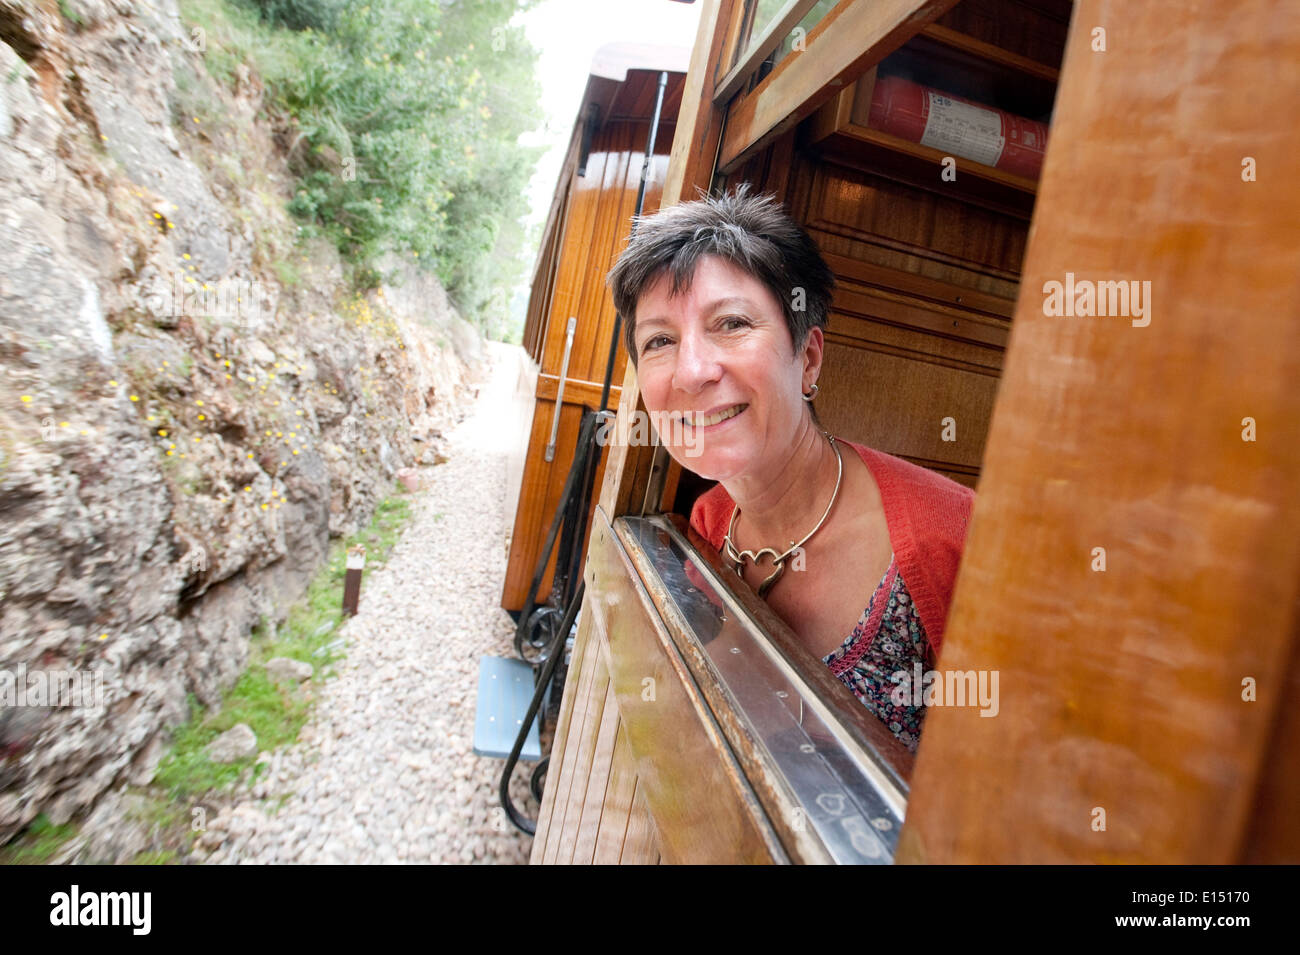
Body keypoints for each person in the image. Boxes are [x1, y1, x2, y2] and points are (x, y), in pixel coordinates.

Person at [606, 184, 974, 753]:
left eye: (730, 323)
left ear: (807, 357)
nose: (692, 371)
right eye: (660, 340)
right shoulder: (707, 524)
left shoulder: (955, 542)